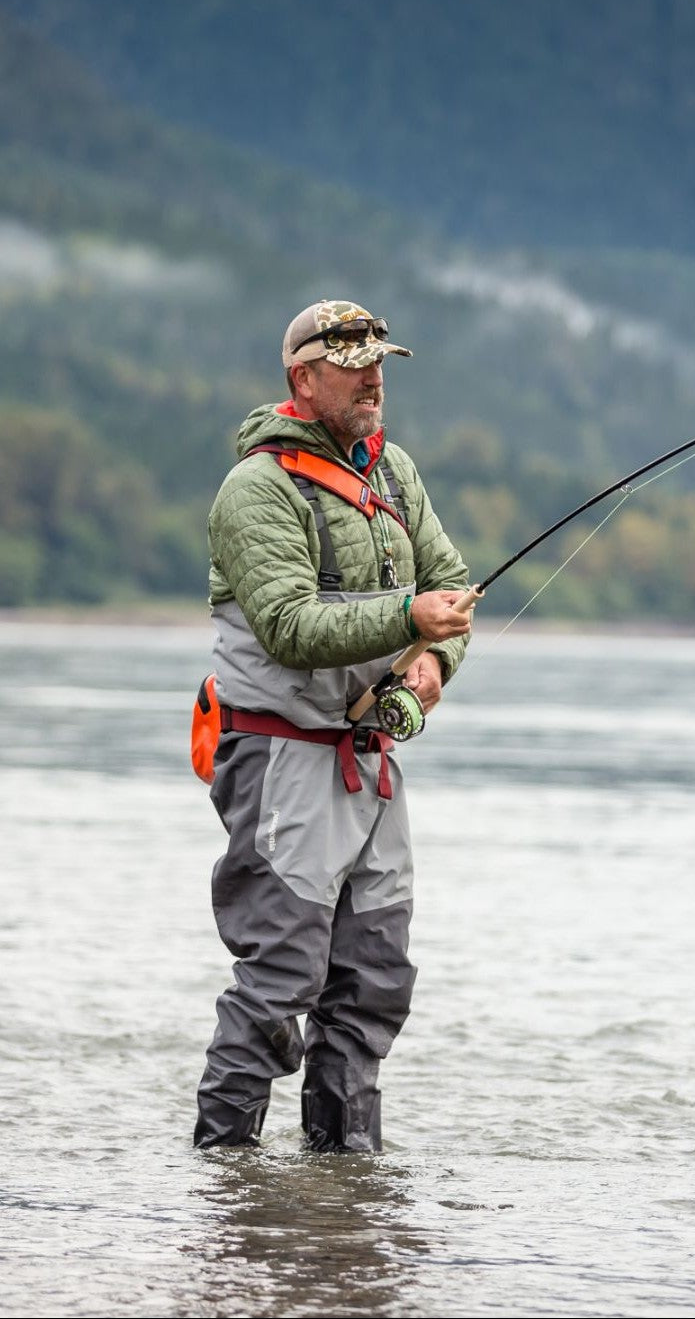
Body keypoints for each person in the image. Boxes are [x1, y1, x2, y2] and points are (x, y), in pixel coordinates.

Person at [194, 299, 474, 1152]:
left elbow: (450, 584)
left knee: (372, 983)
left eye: (379, 359)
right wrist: (409, 618)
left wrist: (431, 669)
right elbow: (289, 626)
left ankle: (343, 1190)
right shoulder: (256, 488)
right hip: (280, 758)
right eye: (352, 361)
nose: (373, 375)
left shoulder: (396, 476)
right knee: (280, 978)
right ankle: (221, 1178)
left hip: (370, 760)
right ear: (303, 378)